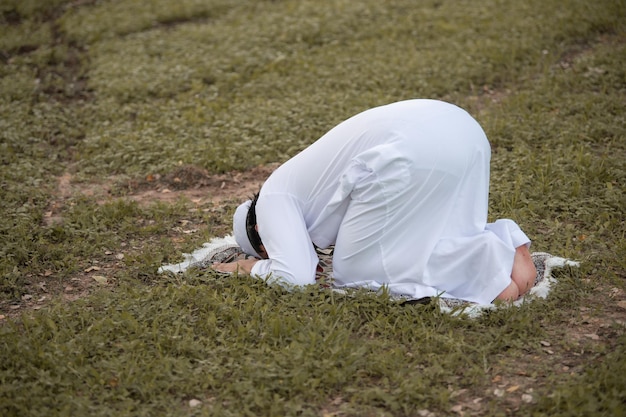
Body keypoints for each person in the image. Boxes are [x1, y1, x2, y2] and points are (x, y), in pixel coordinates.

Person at [212, 99, 536, 304]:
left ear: (259, 229)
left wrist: (252, 268)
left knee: (355, 275)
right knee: (430, 237)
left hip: (411, 150)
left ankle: (489, 278)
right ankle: (502, 243)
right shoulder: (294, 183)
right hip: (462, 129)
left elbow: (294, 278)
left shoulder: (272, 199)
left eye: (269, 248)